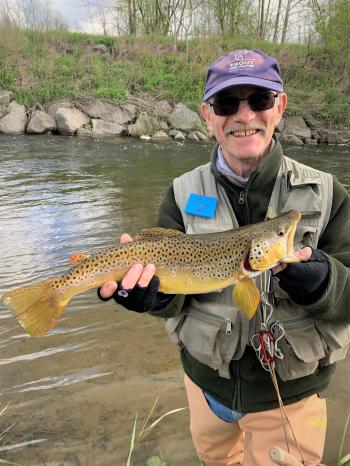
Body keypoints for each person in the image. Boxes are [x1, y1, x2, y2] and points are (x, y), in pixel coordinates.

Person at [98, 49, 350, 466]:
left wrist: (328, 284)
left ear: (280, 106)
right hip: (204, 389)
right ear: (207, 115)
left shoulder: (329, 195)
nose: (243, 115)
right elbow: (177, 298)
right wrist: (156, 299)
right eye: (227, 103)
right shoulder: (180, 194)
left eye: (260, 100)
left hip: (289, 399)